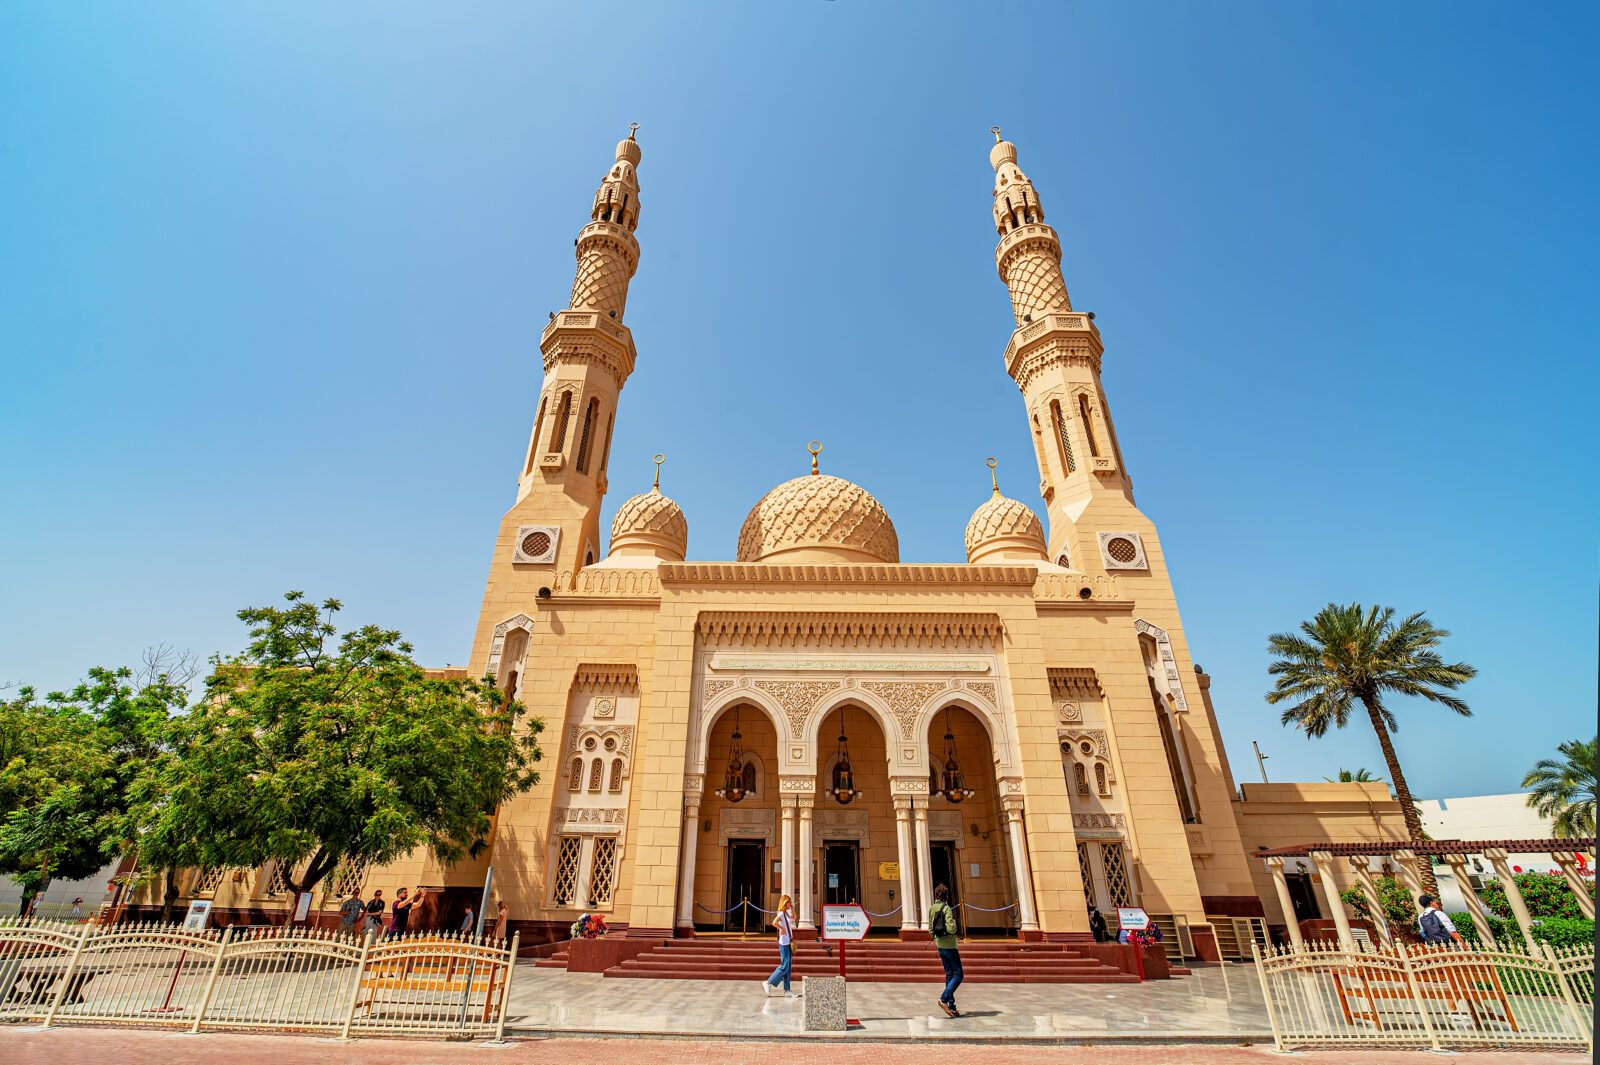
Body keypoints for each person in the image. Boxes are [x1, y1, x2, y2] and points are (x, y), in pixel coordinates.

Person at [928, 884, 963, 1018]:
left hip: (940, 945)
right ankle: (943, 999)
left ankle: (951, 1005)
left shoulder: (932, 908)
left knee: (949, 974)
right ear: (946, 895)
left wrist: (936, 938)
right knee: (959, 974)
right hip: (949, 945)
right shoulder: (946, 908)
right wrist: (954, 925)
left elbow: (930, 928)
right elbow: (950, 927)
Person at [760, 894, 795, 998]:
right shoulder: (781, 913)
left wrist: (793, 909)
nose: (790, 903)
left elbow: (794, 917)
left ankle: (787, 990)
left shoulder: (787, 914)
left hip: (788, 942)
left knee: (788, 967)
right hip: (784, 943)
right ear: (785, 903)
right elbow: (774, 922)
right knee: (785, 965)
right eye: (789, 902)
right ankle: (768, 982)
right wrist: (781, 928)